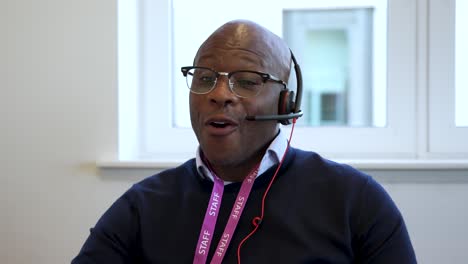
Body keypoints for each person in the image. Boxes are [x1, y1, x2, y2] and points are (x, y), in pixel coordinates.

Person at [72, 20, 416, 263]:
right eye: (205, 78)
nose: (219, 95)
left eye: (247, 82)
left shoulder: (355, 200)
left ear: (285, 104)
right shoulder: (142, 206)